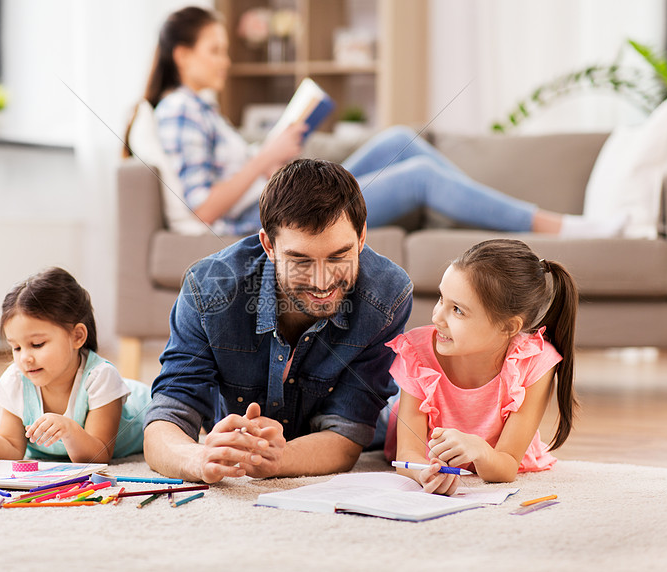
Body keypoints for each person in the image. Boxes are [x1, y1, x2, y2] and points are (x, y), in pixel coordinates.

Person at [130, 5, 625, 238]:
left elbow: (229, 184)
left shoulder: (203, 110)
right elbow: (201, 210)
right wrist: (267, 157)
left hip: (265, 200)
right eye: (215, 50)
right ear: (183, 54)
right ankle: (561, 228)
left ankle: (485, 213)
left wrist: (272, 160)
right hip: (252, 226)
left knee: (397, 140)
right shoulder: (178, 112)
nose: (226, 61)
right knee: (420, 177)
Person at [142, 158, 413, 483]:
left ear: (362, 237)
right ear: (268, 245)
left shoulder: (387, 297)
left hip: (368, 422)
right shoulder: (208, 289)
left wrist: (276, 460)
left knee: (400, 414)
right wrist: (200, 459)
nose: (322, 281)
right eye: (300, 260)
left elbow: (347, 435)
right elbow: (166, 418)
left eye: (339, 256)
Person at [383, 239, 578, 495]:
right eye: (441, 298)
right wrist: (425, 472)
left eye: (458, 310)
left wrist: (478, 448)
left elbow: (506, 465)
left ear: (509, 327)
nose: (436, 317)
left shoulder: (534, 363)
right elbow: (408, 452)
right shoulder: (417, 353)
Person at [0, 267, 150, 463]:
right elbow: (10, 450)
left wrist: (69, 430)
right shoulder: (16, 381)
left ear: (77, 336)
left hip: (146, 406)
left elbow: (98, 455)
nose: (25, 358)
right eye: (16, 348)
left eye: (37, 344)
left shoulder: (100, 378)